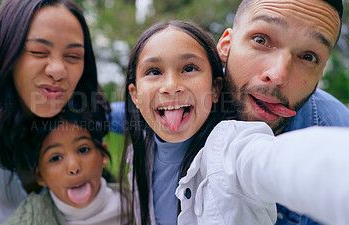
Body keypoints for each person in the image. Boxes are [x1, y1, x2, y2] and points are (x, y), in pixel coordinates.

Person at [120, 20, 349, 225]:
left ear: (215, 88)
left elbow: (278, 162)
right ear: (136, 95)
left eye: (189, 68)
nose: (171, 86)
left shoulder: (232, 147)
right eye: (153, 71)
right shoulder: (141, 149)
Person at [0, 0, 109, 224]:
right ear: (6, 53)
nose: (58, 70)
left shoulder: (87, 107)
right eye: (38, 51)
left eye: (73, 56)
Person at [215, 0, 349, 224]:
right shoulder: (173, 106)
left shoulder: (338, 129)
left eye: (308, 57)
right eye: (261, 40)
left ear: (321, 71)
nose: (278, 75)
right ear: (226, 44)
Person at [1, 111, 128, 225]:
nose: (74, 167)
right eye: (55, 158)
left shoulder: (137, 203)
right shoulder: (26, 221)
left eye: (83, 149)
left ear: (103, 155)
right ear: (39, 175)